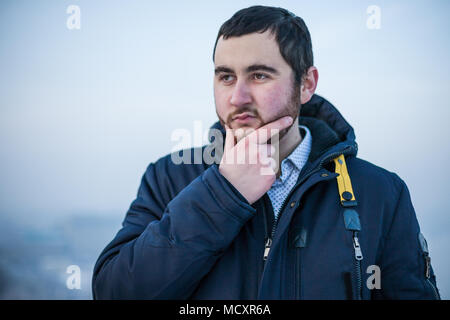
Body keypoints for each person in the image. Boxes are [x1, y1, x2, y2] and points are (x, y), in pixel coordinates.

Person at [92, 5, 440, 300]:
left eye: (259, 76)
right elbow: (114, 290)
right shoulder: (169, 176)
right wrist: (224, 193)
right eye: (226, 77)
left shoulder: (380, 193)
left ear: (306, 84)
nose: (238, 97)